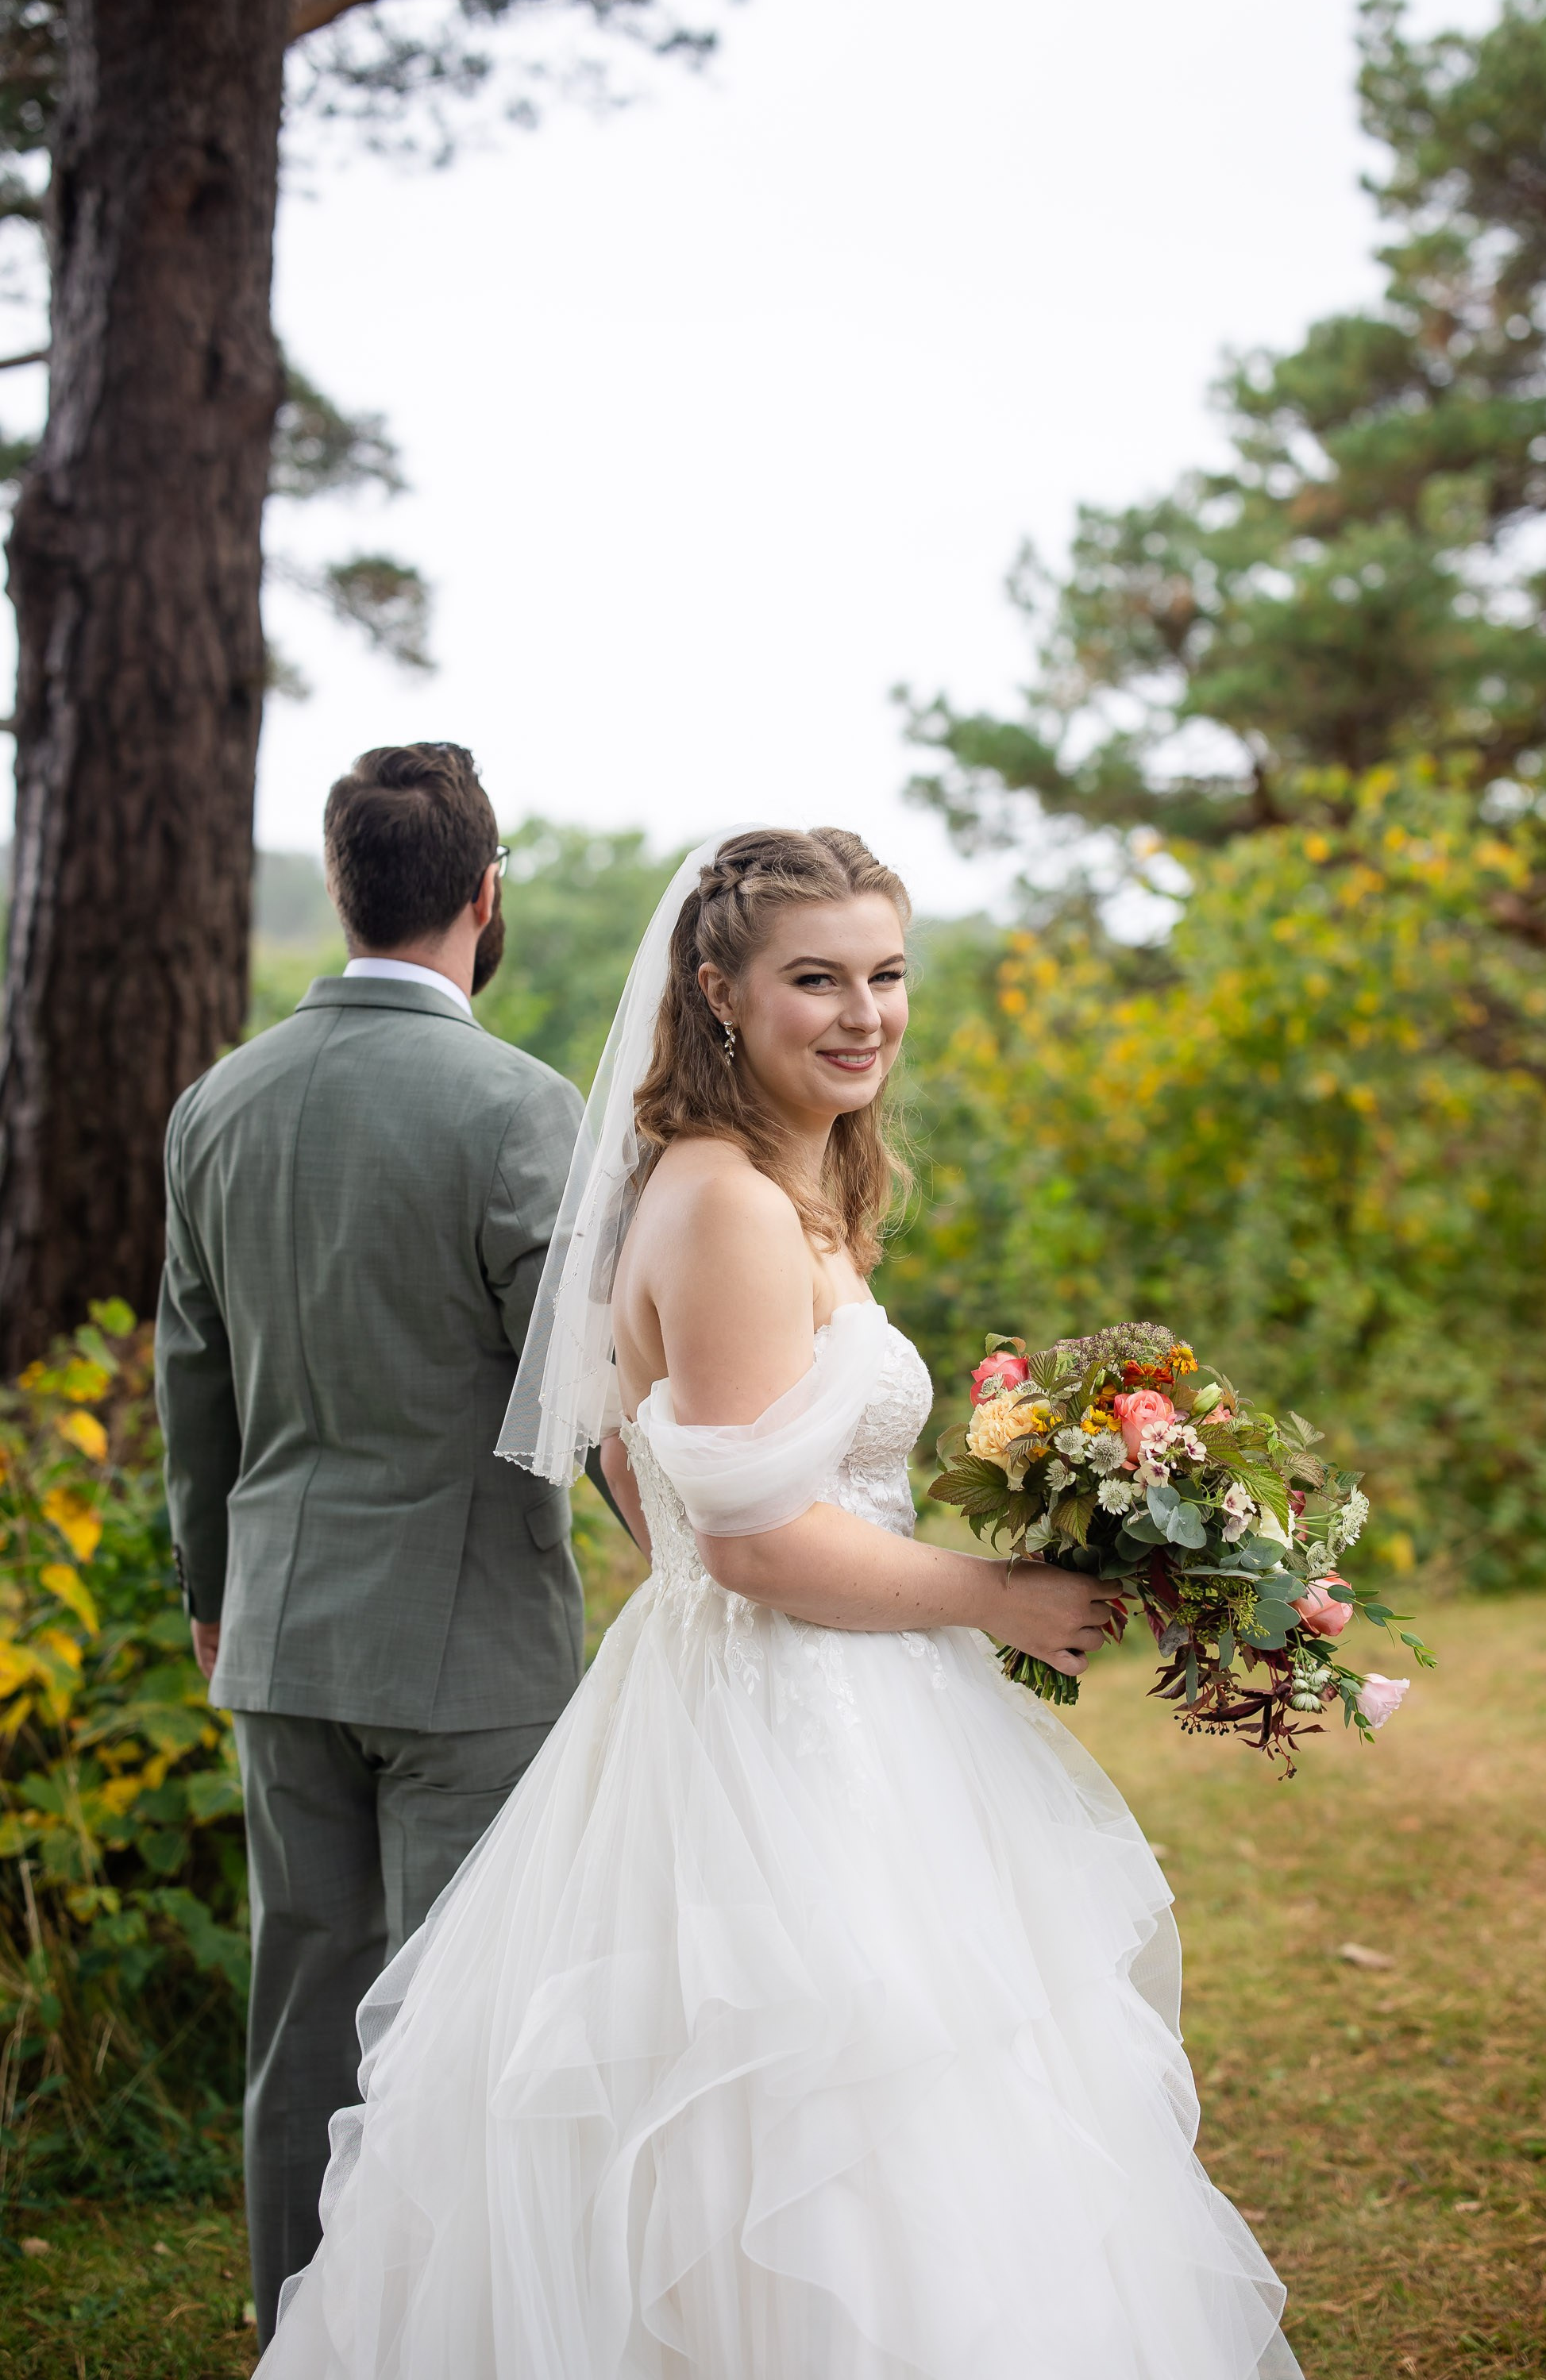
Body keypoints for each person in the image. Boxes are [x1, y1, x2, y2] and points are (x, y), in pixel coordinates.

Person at [254, 824, 1303, 2378]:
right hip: (779, 1722)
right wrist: (993, 1594)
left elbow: (663, 1470)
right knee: (822, 2114)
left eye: (886, 975)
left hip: (814, 1695)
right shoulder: (731, 1203)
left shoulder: (778, 1182)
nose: (864, 1012)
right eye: (816, 978)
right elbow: (747, 1546)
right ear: (718, 990)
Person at [156, 743, 588, 2351]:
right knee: (467, 2011)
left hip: (278, 1629)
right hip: (474, 1646)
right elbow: (576, 1393)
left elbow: (186, 1384)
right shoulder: (519, 1106)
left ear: (343, 890)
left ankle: (299, 2325)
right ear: (486, 896)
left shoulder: (221, 1102)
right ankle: (453, 2332)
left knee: (307, 2006)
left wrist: (213, 1594)